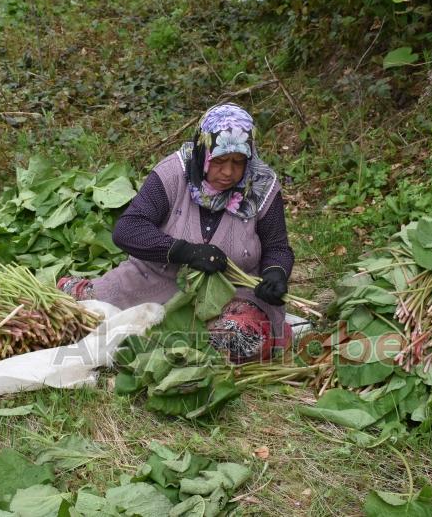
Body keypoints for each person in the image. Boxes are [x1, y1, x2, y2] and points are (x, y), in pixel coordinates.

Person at [58, 103, 294, 363]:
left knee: (241, 340)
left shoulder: (262, 186)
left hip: (233, 293)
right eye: (219, 161)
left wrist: (275, 273)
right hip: (155, 281)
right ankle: (78, 288)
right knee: (82, 317)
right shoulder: (174, 173)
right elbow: (128, 229)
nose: (228, 172)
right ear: (203, 151)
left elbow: (277, 247)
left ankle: (181, 344)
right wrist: (185, 251)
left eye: (238, 162)